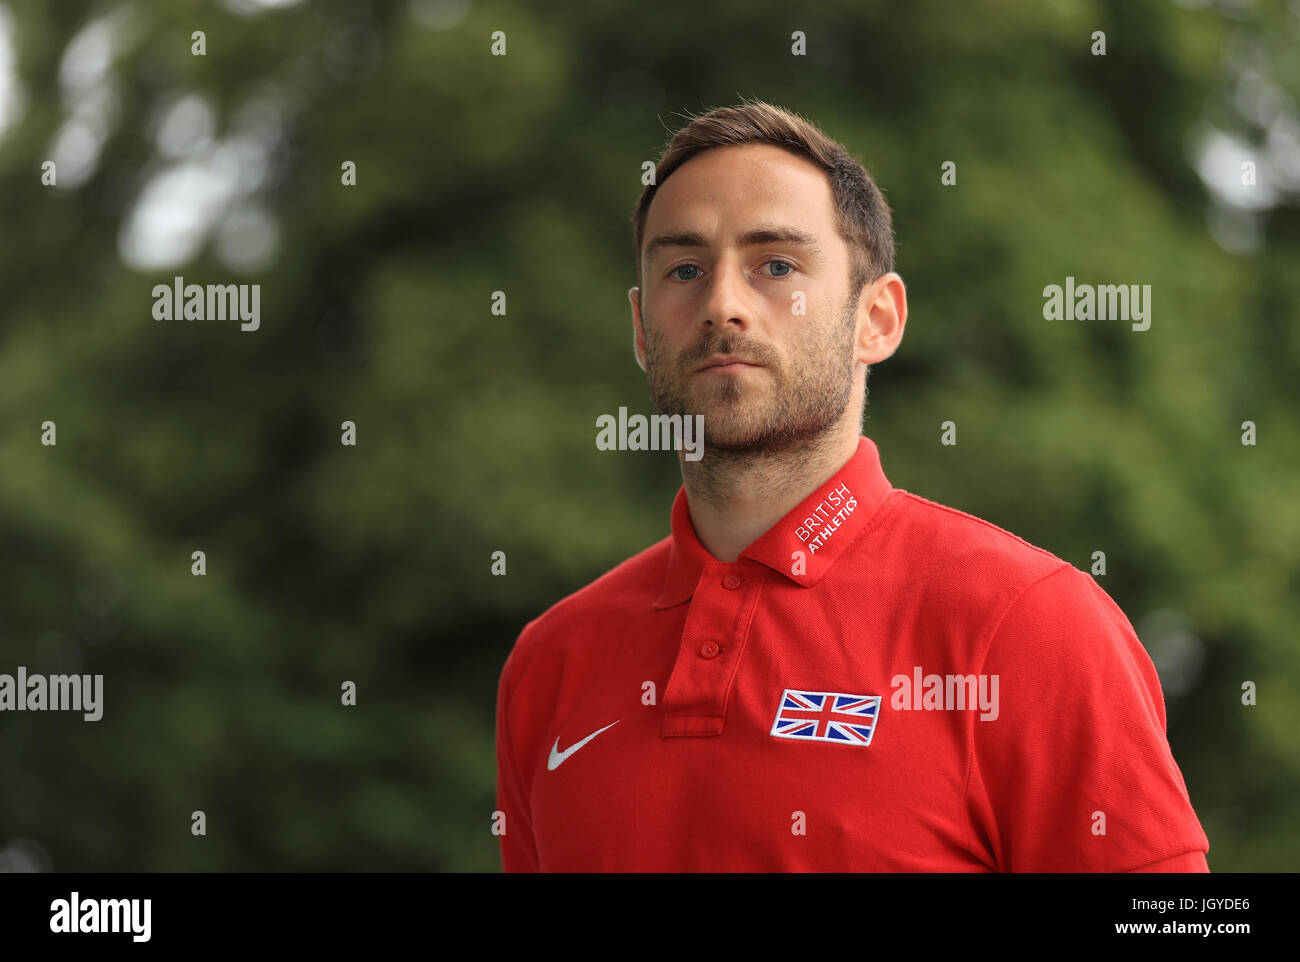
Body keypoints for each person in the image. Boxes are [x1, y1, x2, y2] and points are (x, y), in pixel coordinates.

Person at [494, 100, 1210, 872]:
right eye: (684, 269)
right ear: (641, 331)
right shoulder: (550, 663)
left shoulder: (1029, 626)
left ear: (878, 318)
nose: (722, 304)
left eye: (776, 265)